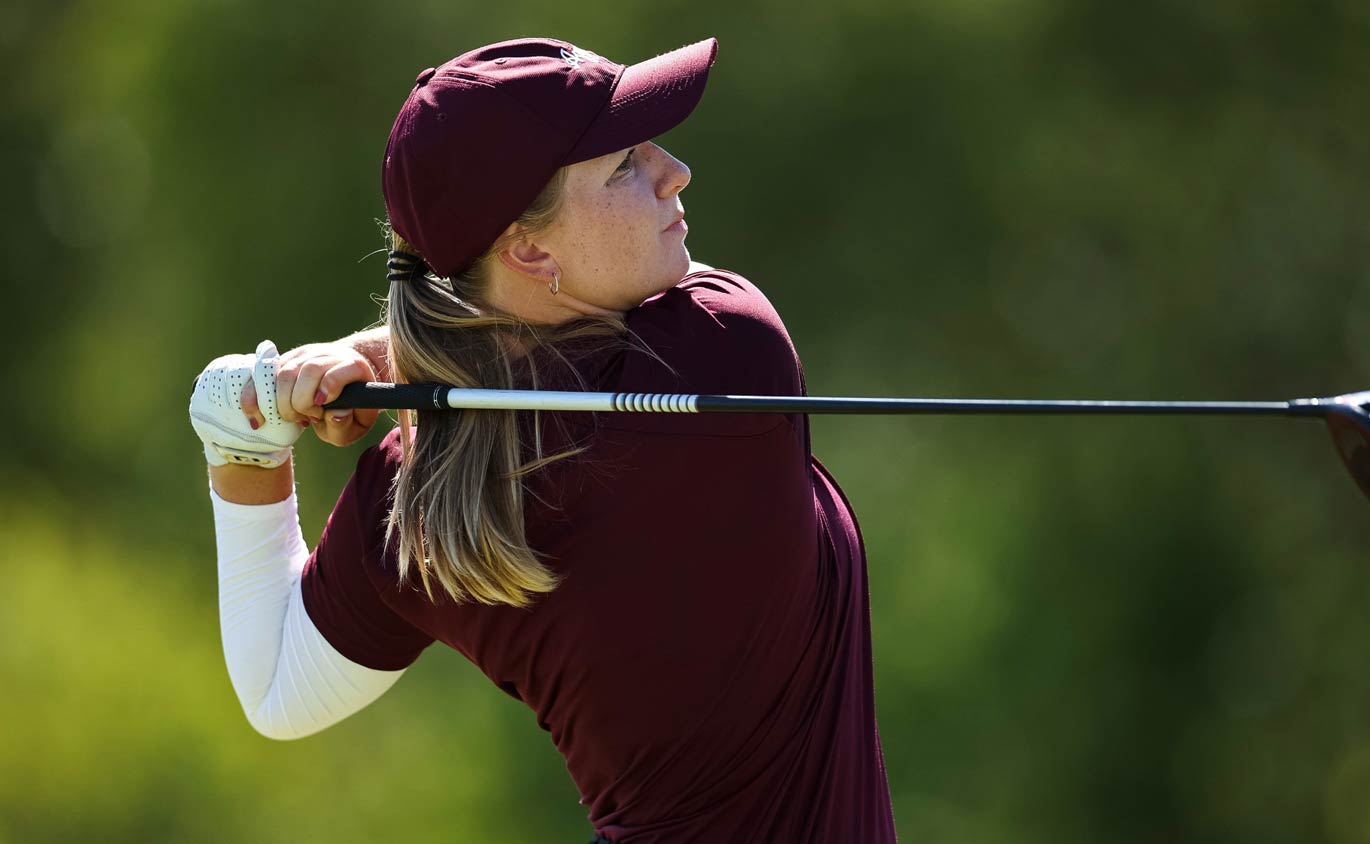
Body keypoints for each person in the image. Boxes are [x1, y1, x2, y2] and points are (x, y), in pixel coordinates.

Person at [189, 36, 898, 843]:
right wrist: (380, 356)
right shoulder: (724, 352)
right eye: (625, 164)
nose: (673, 171)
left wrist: (242, 443)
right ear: (529, 247)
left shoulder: (420, 491)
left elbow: (278, 688)